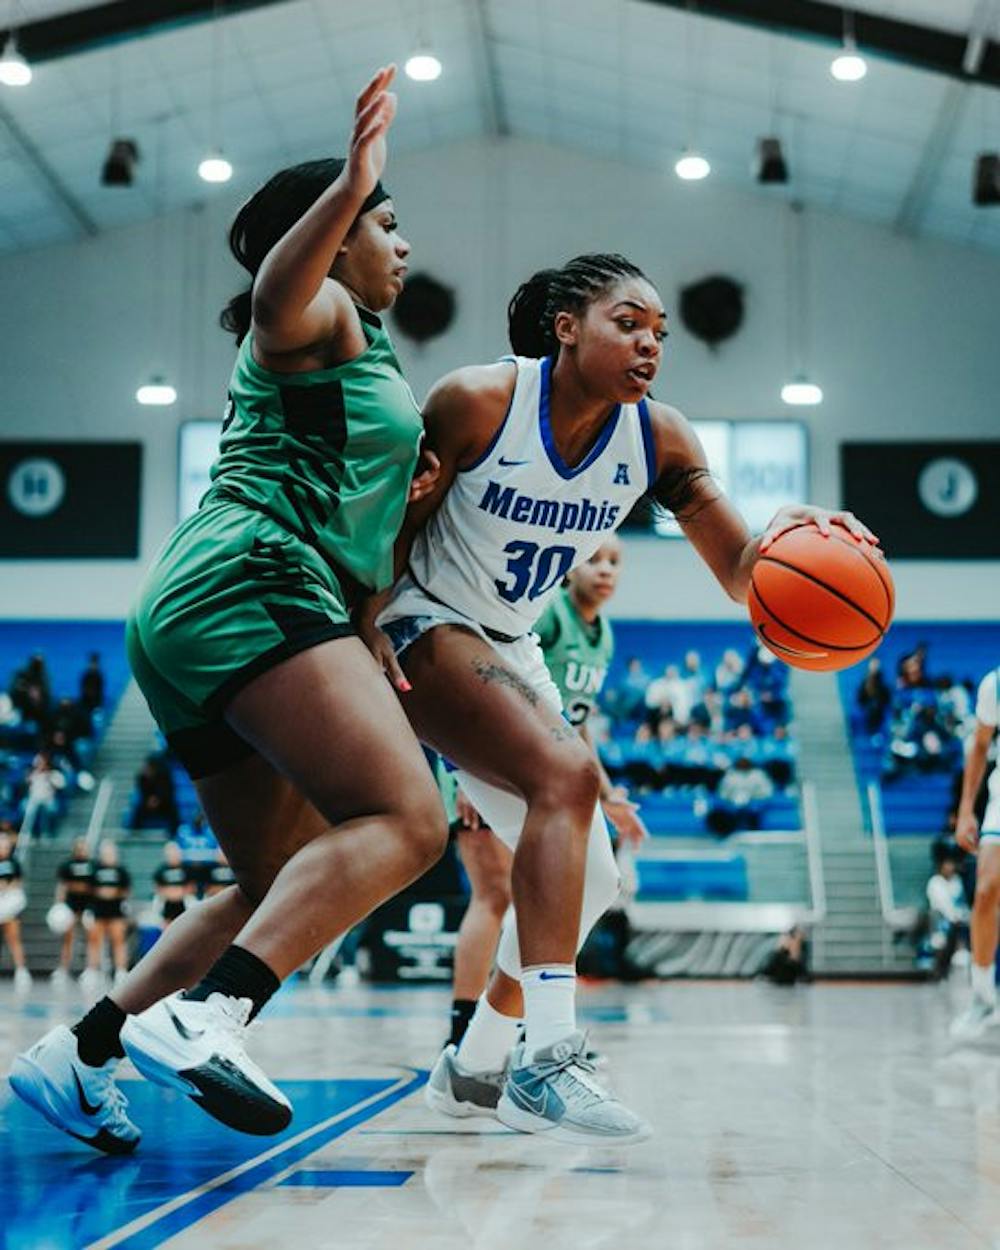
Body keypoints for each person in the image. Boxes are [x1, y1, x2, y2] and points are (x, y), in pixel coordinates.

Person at [9, 66, 446, 1157]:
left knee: (271, 880)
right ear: (335, 237)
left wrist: (377, 600)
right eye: (386, 224)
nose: (403, 244)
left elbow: (361, 543)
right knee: (409, 821)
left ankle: (88, 1047)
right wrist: (351, 179)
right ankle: (212, 1012)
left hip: (214, 601)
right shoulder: (323, 313)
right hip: (251, 577)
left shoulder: (369, 357)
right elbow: (272, 297)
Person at [362, 251, 877, 1143]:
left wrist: (798, 528)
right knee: (564, 778)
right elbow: (384, 525)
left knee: (594, 878)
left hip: (508, 639)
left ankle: (475, 1066)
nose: (650, 345)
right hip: (420, 621)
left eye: (660, 333)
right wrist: (364, 621)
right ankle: (548, 1056)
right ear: (566, 327)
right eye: (628, 324)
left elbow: (742, 574)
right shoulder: (479, 400)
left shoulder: (661, 438)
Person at [445, 536, 646, 1051]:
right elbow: (490, 675)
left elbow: (574, 726)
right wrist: (470, 769)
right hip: (492, 761)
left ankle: (519, 1025)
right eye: (595, 559)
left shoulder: (603, 637)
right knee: (495, 896)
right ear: (569, 569)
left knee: (557, 895)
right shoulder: (551, 615)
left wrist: (605, 794)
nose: (605, 570)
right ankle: (465, 1028)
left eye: (615, 563)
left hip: (545, 772)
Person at [950, 665, 1000, 1041]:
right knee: (985, 891)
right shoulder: (994, 684)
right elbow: (981, 744)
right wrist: (967, 807)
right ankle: (983, 997)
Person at [81, 840, 132, 994]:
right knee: (94, 940)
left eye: (111, 853)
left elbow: (126, 890)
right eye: (106, 853)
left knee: (118, 940)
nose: (109, 856)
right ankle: (92, 971)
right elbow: (88, 889)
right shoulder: (94, 869)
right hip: (98, 909)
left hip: (116, 910)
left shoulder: (121, 871)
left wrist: (113, 893)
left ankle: (121, 971)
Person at [52, 836, 96, 987]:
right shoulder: (67, 865)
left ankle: (91, 970)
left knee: (92, 938)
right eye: (79, 846)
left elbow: (94, 887)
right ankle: (63, 969)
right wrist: (59, 905)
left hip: (88, 906)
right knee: (68, 938)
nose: (82, 850)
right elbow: (63, 886)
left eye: (84, 847)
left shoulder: (93, 865)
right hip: (70, 905)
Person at [925, 851, 970, 980]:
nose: (949, 868)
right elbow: (941, 904)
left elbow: (961, 902)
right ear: (941, 867)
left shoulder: (957, 881)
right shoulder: (935, 882)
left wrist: (961, 916)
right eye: (946, 865)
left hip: (956, 919)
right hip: (939, 918)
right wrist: (952, 917)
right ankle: (937, 971)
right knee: (940, 942)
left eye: (951, 865)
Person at [0, 832, 31, 992]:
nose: (3, 848)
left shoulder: (14, 862)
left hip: (10, 904)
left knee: (13, 938)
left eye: (5, 845)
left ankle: (21, 970)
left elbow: (18, 883)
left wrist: (7, 887)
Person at [152, 842, 194, 929]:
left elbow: (192, 887)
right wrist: (171, 893)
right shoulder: (161, 870)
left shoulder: (186, 869)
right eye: (170, 854)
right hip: (167, 903)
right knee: (167, 931)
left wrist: (178, 892)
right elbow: (157, 888)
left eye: (175, 853)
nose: (173, 856)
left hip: (183, 902)